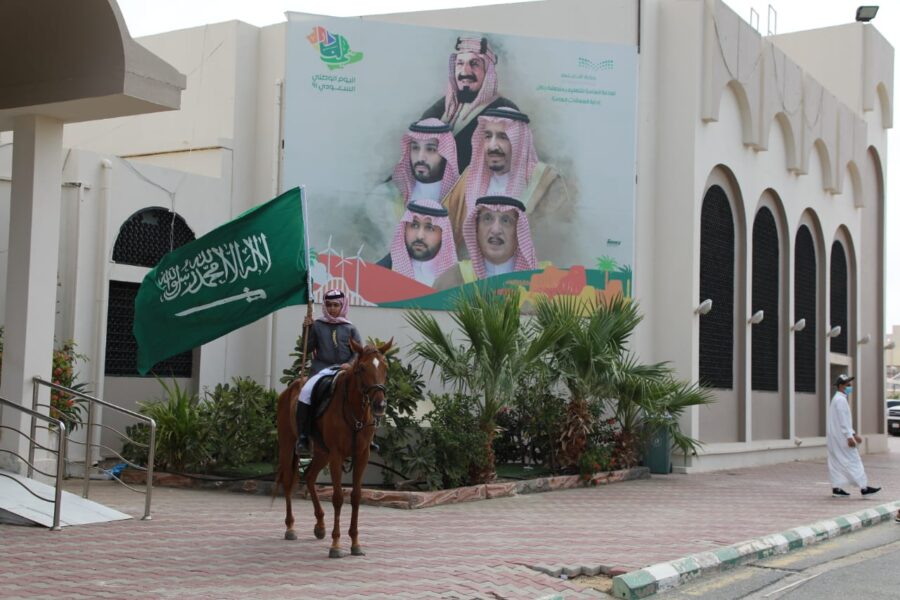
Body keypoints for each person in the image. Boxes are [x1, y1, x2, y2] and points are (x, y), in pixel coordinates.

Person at [441, 107, 571, 262]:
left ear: (519, 141)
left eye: (503, 137)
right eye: (488, 136)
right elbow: (442, 229)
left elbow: (559, 242)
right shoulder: (471, 177)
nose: (492, 146)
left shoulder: (545, 182)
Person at [421, 36, 519, 171]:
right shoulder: (443, 105)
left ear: (487, 71)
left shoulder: (505, 110)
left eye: (474, 63)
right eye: (460, 63)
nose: (465, 71)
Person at [295, 288, 362, 455]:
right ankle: (303, 436)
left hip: (344, 370)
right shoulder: (318, 325)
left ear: (343, 305)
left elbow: (358, 352)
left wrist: (350, 364)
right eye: (329, 305)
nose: (332, 308)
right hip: (321, 370)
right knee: (305, 393)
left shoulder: (350, 328)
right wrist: (306, 329)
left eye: (336, 305)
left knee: (363, 392)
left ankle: (368, 437)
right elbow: (307, 348)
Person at [433, 195, 536, 289]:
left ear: (518, 232)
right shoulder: (449, 281)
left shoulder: (538, 284)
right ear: (476, 229)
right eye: (487, 219)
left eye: (506, 220)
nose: (496, 230)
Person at [377, 199, 458, 287]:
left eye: (429, 228)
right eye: (414, 225)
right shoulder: (383, 271)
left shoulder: (458, 278)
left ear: (443, 234)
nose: (420, 236)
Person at [827, 374, 881, 498]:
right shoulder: (840, 400)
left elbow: (843, 421)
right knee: (854, 460)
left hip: (835, 438)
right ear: (841, 386)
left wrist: (853, 434)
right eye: (848, 384)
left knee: (836, 462)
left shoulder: (836, 399)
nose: (850, 386)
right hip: (842, 438)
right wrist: (849, 436)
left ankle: (836, 488)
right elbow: (843, 421)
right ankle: (864, 488)